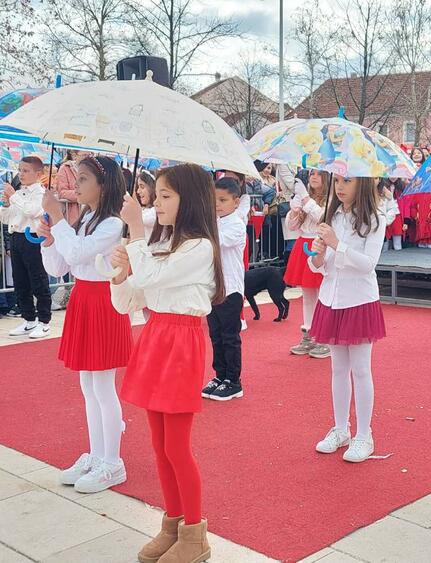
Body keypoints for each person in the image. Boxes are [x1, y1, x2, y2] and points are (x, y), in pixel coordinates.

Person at [109, 163, 220, 563]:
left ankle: (195, 535)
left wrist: (137, 235)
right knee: (158, 445)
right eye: (156, 195)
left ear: (189, 200)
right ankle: (172, 525)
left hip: (181, 342)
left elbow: (154, 279)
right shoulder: (162, 243)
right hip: (156, 335)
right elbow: (129, 301)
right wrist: (121, 274)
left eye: (166, 196)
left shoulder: (201, 246)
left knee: (176, 445)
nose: (156, 203)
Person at [39, 155, 134, 493]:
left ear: (103, 185)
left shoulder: (112, 223)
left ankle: (112, 461)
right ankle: (97, 454)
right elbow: (60, 266)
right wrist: (50, 239)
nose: (74, 185)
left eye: (82, 179)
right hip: (83, 299)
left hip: (103, 302)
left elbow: (79, 253)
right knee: (88, 386)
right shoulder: (87, 218)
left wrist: (58, 218)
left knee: (103, 387)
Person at [308, 175, 388, 463]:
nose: (340, 186)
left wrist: (337, 243)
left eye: (348, 181)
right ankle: (341, 428)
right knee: (337, 369)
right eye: (338, 180)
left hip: (359, 300)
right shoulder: (333, 216)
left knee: (361, 370)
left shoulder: (375, 219)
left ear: (363, 183)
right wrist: (317, 255)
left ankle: (364, 434)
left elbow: (368, 264)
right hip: (331, 298)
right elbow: (322, 266)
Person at [201, 177, 250, 401]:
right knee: (215, 335)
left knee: (230, 337)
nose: (217, 204)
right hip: (213, 289)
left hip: (230, 290)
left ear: (236, 201)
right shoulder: (214, 222)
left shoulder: (237, 225)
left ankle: (234, 380)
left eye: (223, 200)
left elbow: (215, 241)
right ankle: (220, 375)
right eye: (214, 199)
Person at [0, 156, 52, 339]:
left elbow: (32, 210)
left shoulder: (41, 193)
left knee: (38, 278)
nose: (21, 174)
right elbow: (5, 218)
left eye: (26, 171)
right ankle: (29, 318)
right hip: (16, 237)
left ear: (38, 174)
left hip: (33, 238)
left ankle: (44, 321)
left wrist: (13, 196)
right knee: (20, 280)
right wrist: (5, 205)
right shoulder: (18, 193)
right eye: (20, 170)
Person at [285, 169, 331, 359]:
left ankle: (324, 336)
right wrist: (294, 212)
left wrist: (305, 200)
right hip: (302, 243)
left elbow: (322, 217)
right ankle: (309, 333)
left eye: (318, 174)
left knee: (322, 293)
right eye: (311, 173)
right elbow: (292, 227)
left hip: (319, 244)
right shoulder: (305, 199)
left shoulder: (330, 199)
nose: (313, 177)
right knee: (307, 294)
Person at [136, 170, 158, 239]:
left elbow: (135, 219)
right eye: (138, 187)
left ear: (152, 187)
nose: (138, 191)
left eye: (142, 187)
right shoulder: (144, 209)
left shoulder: (155, 211)